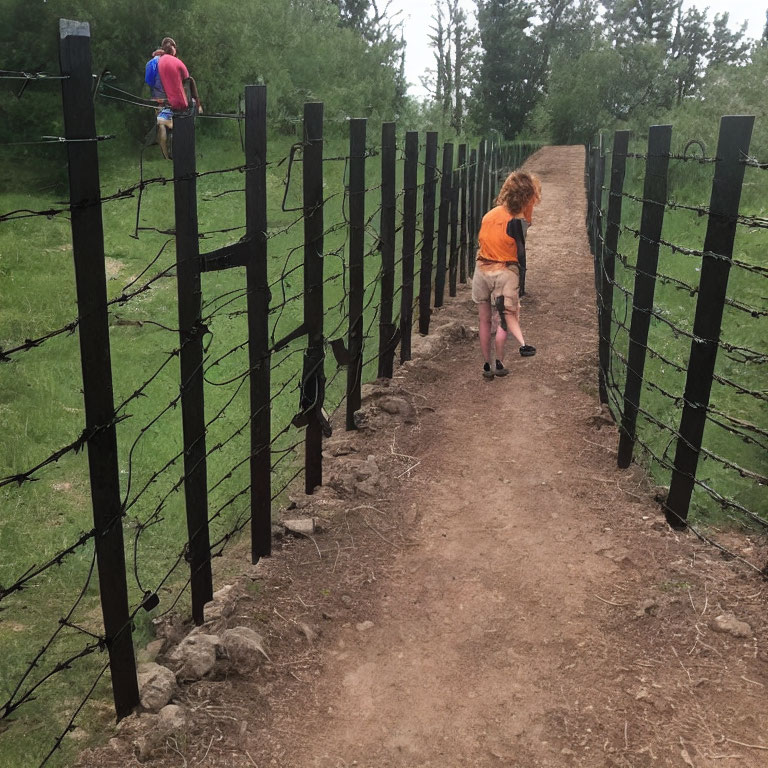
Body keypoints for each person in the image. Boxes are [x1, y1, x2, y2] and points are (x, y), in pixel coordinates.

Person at [471, 170, 541, 380]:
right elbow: (520, 252)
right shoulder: (518, 220)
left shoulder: (489, 215)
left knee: (483, 320)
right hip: (504, 271)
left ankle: (486, 365)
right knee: (505, 317)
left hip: (481, 269)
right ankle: (500, 362)